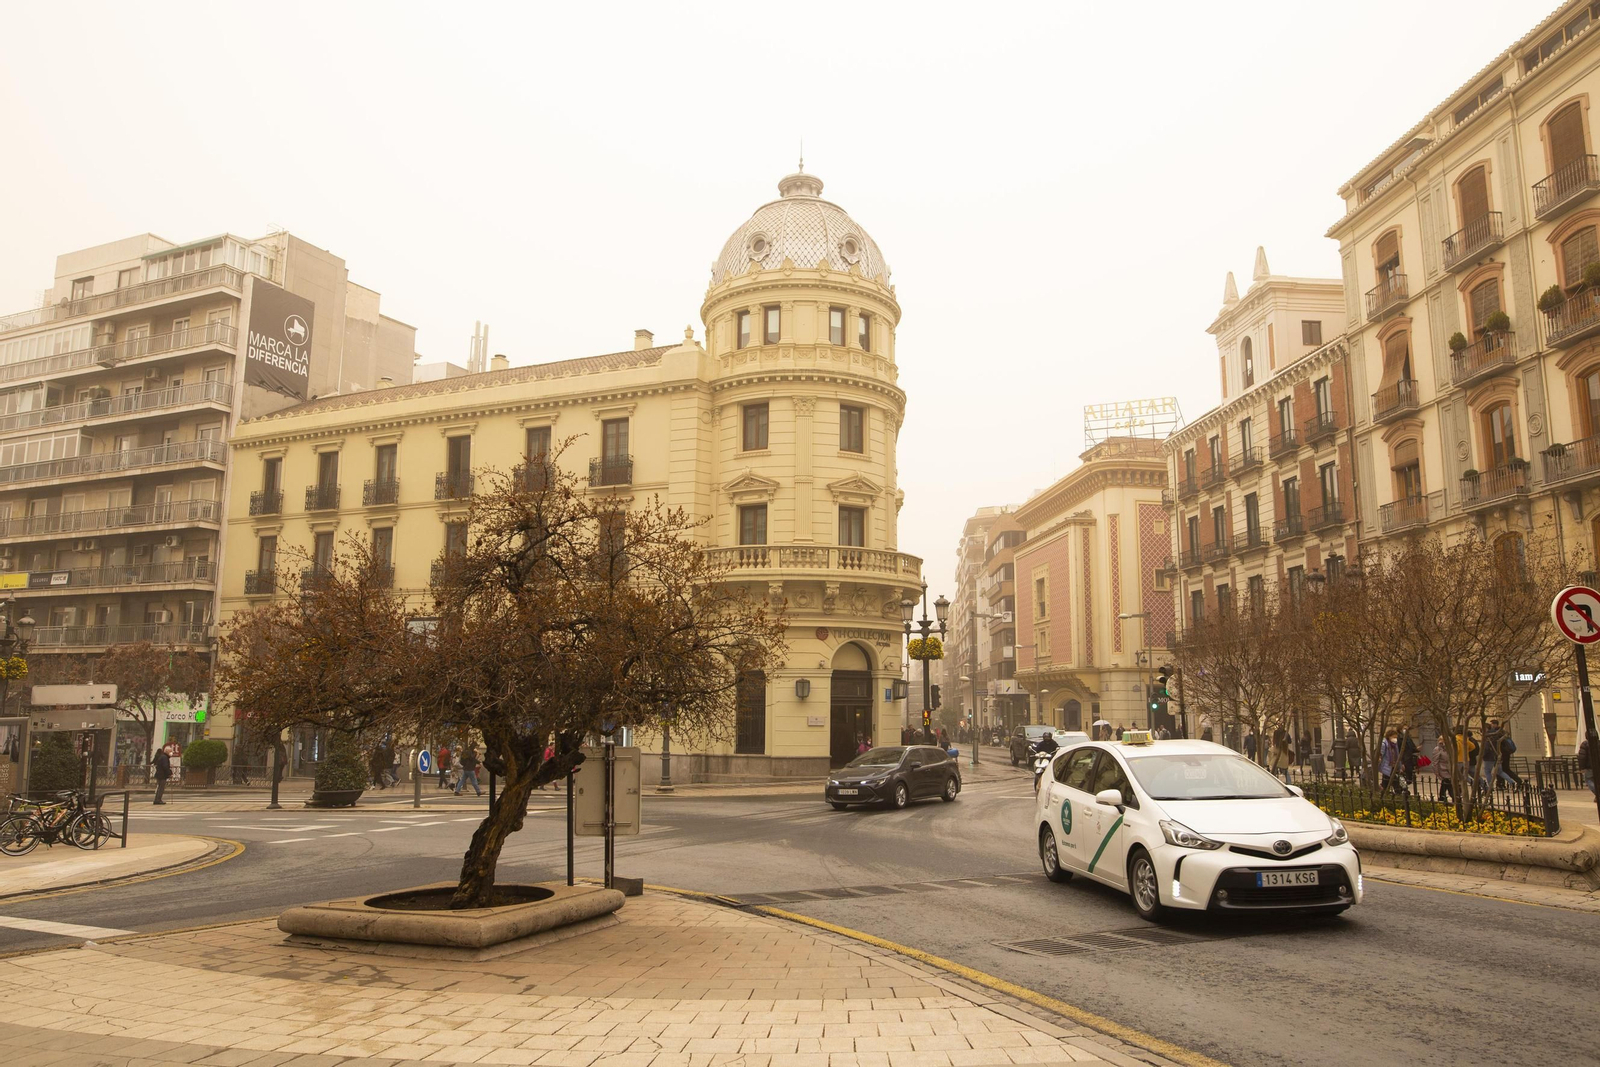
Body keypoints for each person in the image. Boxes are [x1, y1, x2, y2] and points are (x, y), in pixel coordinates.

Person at [1378, 728, 1399, 793]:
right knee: (1391, 782)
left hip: (1393, 766)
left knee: (1387, 783)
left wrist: (1400, 766)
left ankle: (1384, 793)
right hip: (1386, 766)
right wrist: (1379, 758)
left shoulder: (1395, 745)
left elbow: (1397, 755)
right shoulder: (1384, 744)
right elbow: (1380, 754)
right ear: (1389, 736)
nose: (1395, 739)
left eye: (1396, 737)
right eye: (1394, 737)